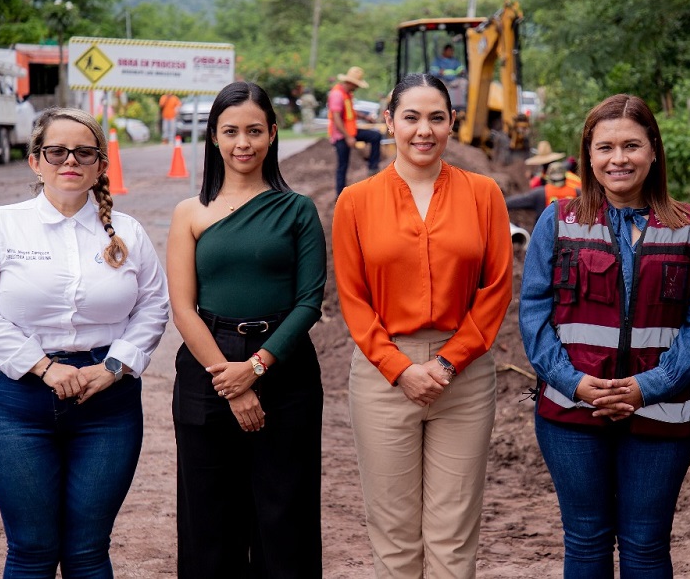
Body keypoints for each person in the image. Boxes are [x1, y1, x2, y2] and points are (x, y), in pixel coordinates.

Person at [0, 107, 169, 577]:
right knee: (31, 549)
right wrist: (44, 367)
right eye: (56, 151)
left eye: (84, 152)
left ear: (100, 164)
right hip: (15, 402)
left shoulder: (128, 232)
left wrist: (114, 367)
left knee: (88, 550)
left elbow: (154, 306)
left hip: (106, 403)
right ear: (35, 161)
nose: (69, 160)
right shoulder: (0, 225)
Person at [519, 94, 690, 578]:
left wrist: (646, 387)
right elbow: (533, 313)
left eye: (631, 145)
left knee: (647, 545)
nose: (619, 159)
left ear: (653, 150)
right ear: (588, 155)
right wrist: (575, 383)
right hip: (571, 412)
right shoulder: (559, 219)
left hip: (662, 412)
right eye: (605, 147)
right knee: (586, 541)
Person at [332, 73, 513, 578]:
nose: (423, 130)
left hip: (466, 376)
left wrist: (450, 362)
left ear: (451, 123)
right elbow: (353, 298)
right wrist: (400, 367)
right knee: (393, 537)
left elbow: (496, 290)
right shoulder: (356, 202)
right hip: (383, 374)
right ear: (389, 122)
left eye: (436, 118)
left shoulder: (484, 195)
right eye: (410, 117)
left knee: (453, 538)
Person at [167, 80, 327, 578]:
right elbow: (183, 308)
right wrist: (230, 381)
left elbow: (309, 303)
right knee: (208, 522)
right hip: (206, 371)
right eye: (231, 131)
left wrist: (256, 368)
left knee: (286, 519)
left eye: (255, 131)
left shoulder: (297, 210)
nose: (243, 143)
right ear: (214, 135)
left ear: (273, 134)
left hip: (285, 368)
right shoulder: (189, 212)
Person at [328, 66, 382, 196]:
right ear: (351, 83)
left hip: (351, 132)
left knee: (375, 136)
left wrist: (365, 117)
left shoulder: (347, 94)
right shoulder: (336, 94)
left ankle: (372, 167)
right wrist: (348, 137)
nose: (357, 88)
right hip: (341, 136)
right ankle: (339, 195)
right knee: (343, 166)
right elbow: (336, 118)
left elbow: (350, 112)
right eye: (356, 85)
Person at [506, 161, 579, 219]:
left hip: (547, 234)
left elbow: (516, 201)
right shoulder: (577, 192)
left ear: (548, 177)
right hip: (571, 234)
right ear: (565, 176)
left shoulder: (540, 193)